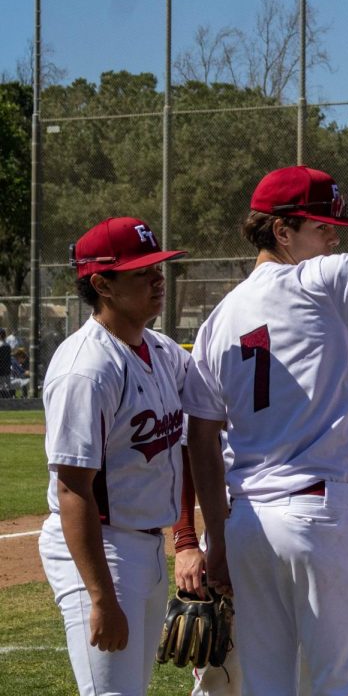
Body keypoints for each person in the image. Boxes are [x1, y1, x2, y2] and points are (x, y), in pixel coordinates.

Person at [182, 136, 348, 694]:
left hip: (246, 521)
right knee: (338, 683)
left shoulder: (218, 320)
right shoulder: (318, 284)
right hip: (318, 516)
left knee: (268, 686)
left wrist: (217, 540)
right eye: (323, 228)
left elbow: (200, 438)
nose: (332, 240)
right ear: (282, 230)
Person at [182, 312, 348, 696]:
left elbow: (193, 445)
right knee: (260, 672)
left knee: (240, 673)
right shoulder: (319, 352)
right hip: (293, 522)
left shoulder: (226, 326)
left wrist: (194, 540)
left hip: (240, 527)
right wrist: (187, 540)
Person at [38, 217, 191, 696]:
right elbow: (72, 488)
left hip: (145, 546)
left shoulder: (161, 350)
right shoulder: (86, 369)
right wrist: (101, 598)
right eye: (141, 271)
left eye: (157, 267)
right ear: (102, 283)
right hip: (102, 550)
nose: (156, 278)